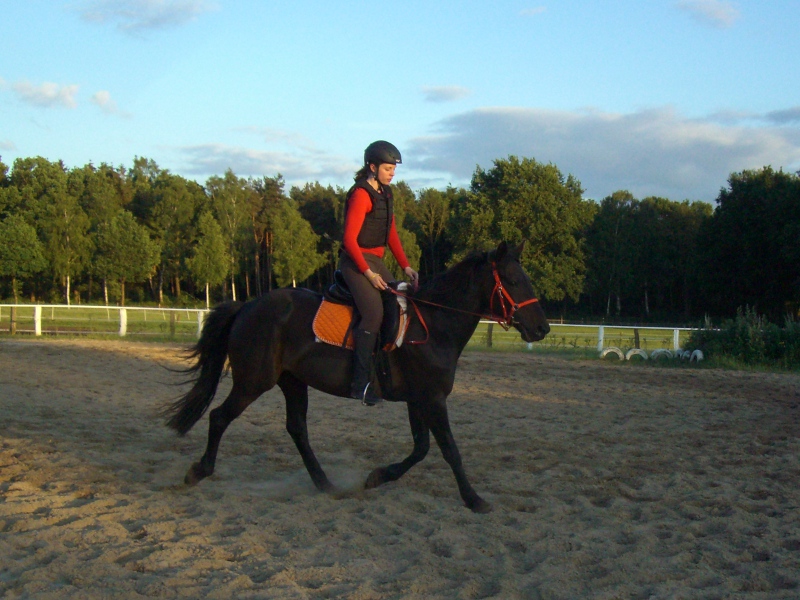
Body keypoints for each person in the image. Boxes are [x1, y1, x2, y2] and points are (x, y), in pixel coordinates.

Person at [340, 140, 419, 405]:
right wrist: (368, 274)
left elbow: (391, 233)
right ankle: (360, 384)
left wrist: (405, 265)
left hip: (376, 260)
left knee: (397, 303)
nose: (392, 173)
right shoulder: (361, 195)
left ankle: (385, 370)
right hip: (355, 262)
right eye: (388, 168)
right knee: (373, 314)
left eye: (394, 169)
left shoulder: (386, 193)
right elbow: (349, 240)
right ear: (372, 167)